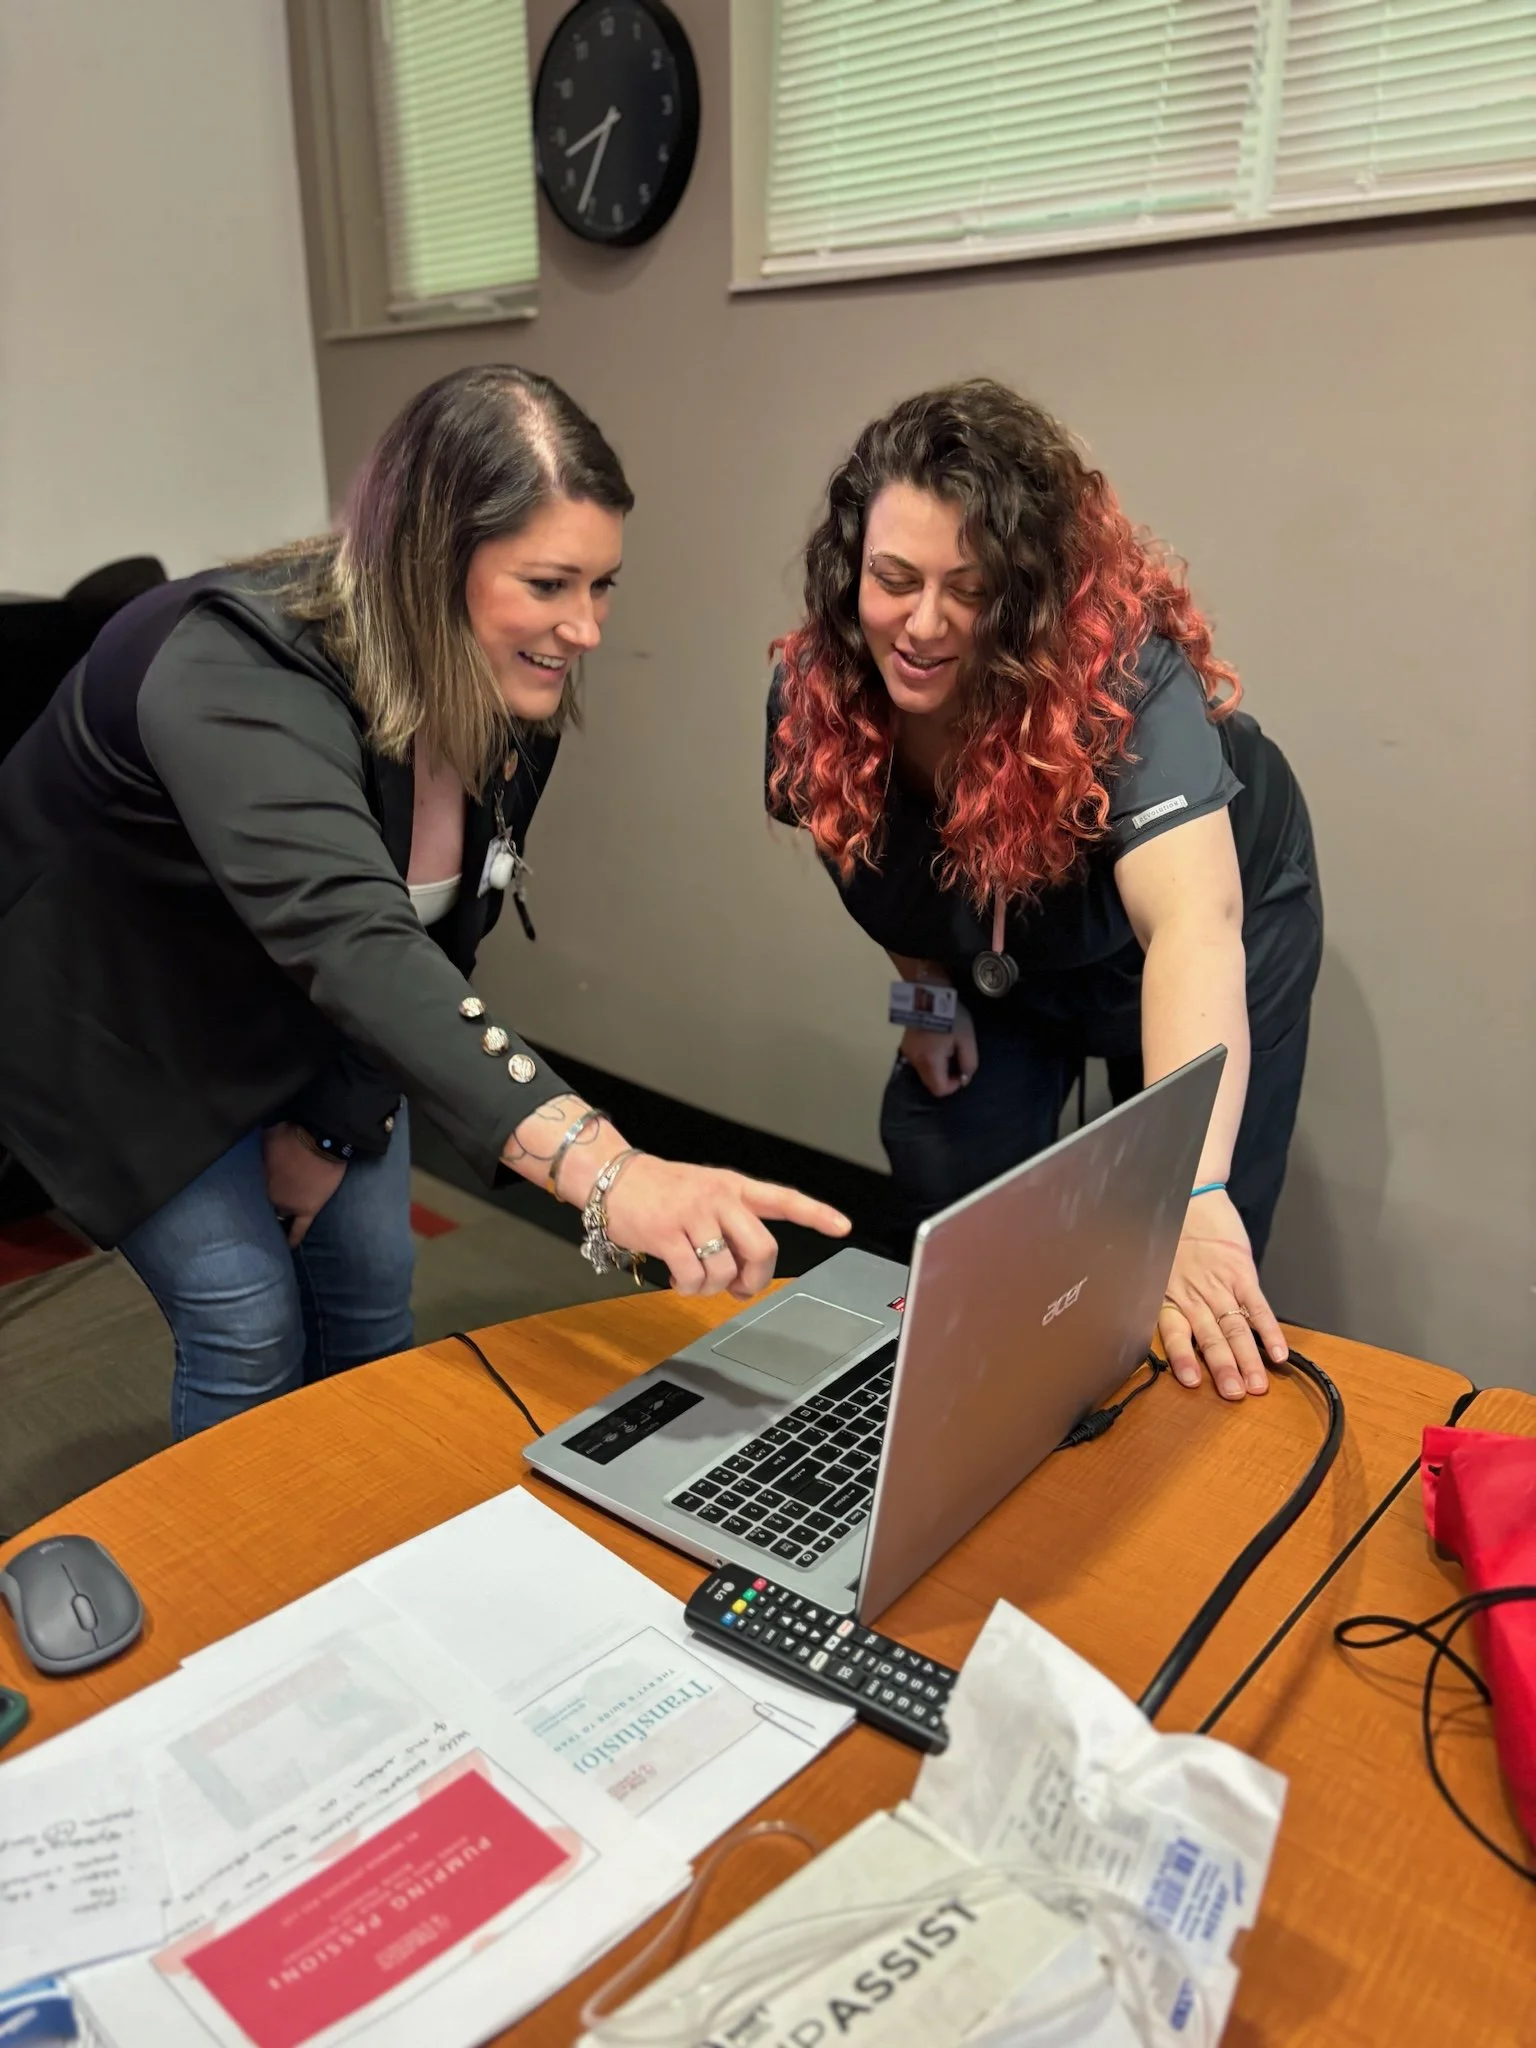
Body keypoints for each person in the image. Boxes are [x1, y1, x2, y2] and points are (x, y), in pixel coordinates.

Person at [0, 365, 848, 1438]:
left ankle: (375, 1531)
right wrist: (609, 1173)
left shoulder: (508, 684)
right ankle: (249, 1569)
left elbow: (433, 933)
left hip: (298, 999)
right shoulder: (230, 670)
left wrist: (336, 1117)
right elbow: (352, 937)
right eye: (549, 585)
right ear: (428, 565)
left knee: (370, 1272)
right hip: (123, 1017)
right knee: (248, 1316)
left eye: (602, 584)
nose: (584, 628)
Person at [767, 380, 1321, 1404]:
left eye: (969, 591)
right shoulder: (821, 698)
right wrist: (925, 1003)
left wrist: (1191, 1189)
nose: (922, 625)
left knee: (1181, 1246)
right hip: (1008, 939)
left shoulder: (1122, 684)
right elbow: (879, 882)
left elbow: (1193, 930)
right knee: (941, 1149)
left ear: (1026, 594)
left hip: (1191, 928)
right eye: (893, 578)